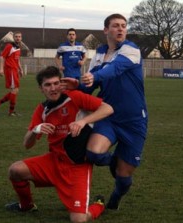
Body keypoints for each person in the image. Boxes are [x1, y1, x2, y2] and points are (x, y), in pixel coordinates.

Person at [62, 13, 148, 211]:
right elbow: (89, 87)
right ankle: (114, 160)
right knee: (93, 152)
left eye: (124, 26)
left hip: (134, 120)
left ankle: (115, 199)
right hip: (107, 116)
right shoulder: (99, 53)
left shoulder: (131, 50)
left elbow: (115, 69)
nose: (120, 29)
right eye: (116, 25)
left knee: (124, 178)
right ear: (106, 30)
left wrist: (95, 75)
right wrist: (76, 84)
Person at [6, 66, 113, 223]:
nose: (53, 88)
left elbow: (108, 108)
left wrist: (83, 121)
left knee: (78, 220)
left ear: (61, 84)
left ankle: (98, 204)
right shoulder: (42, 110)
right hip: (54, 161)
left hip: (77, 167)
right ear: (41, 89)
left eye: (56, 83)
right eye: (47, 85)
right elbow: (27, 144)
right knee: (15, 170)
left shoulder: (75, 97)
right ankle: (26, 205)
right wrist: (36, 130)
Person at [0, 31, 24, 116]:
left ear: (21, 38)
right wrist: (1, 69)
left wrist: (20, 69)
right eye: (16, 36)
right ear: (13, 38)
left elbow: (18, 60)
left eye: (19, 37)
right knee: (14, 90)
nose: (18, 38)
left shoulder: (18, 47)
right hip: (10, 70)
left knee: (15, 90)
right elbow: (2, 57)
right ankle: (11, 112)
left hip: (15, 70)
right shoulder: (10, 46)